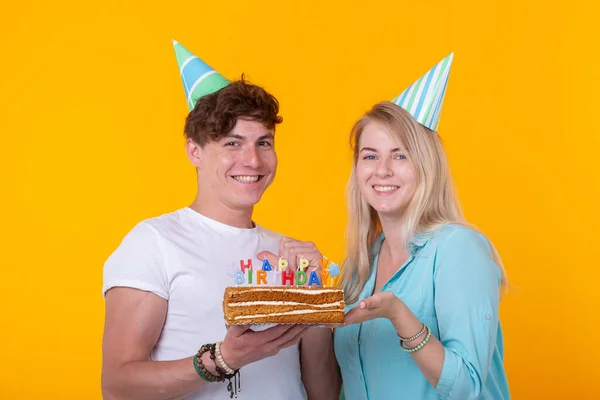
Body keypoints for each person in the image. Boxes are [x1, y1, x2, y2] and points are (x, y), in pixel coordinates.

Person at [101, 41, 339, 400]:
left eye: (264, 143)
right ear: (194, 151)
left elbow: (324, 392)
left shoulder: (291, 256)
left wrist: (315, 305)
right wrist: (223, 360)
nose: (253, 161)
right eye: (232, 143)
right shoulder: (154, 243)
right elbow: (118, 386)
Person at [333, 54, 511, 399]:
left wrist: (400, 316)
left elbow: (466, 388)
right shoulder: (360, 267)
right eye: (370, 155)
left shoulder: (457, 249)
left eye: (400, 155)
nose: (382, 170)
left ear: (426, 166)